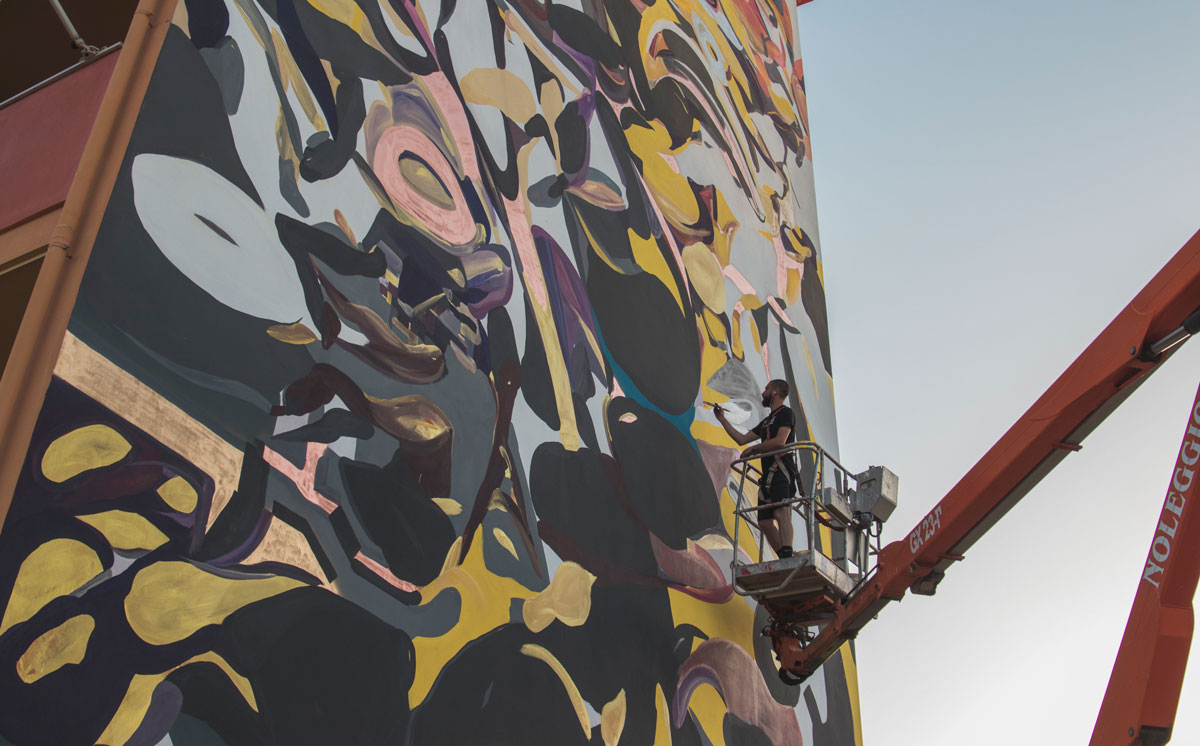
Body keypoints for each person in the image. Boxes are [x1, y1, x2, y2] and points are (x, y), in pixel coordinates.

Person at [713, 379, 798, 558]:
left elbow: (780, 441)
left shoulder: (785, 413)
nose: (763, 393)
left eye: (766, 389)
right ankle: (783, 556)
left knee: (781, 511)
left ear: (775, 391)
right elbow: (742, 439)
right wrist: (722, 420)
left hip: (781, 470)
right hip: (768, 476)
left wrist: (754, 449)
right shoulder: (767, 421)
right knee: (765, 522)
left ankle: (788, 552)